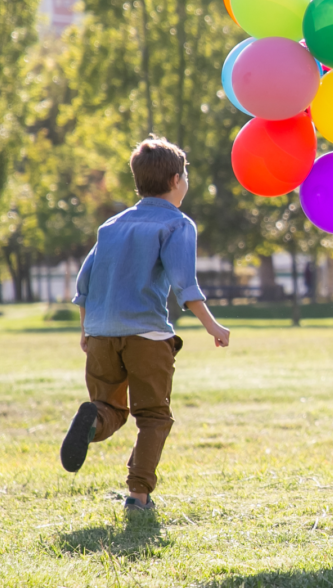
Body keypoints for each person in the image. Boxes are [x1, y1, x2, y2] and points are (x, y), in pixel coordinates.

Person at [61, 136, 231, 512]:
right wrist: (213, 327)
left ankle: (93, 419)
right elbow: (185, 285)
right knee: (153, 416)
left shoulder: (112, 225)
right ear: (175, 181)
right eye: (185, 175)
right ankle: (138, 496)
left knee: (110, 409)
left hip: (102, 333)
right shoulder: (177, 224)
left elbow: (84, 283)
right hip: (147, 335)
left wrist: (86, 329)